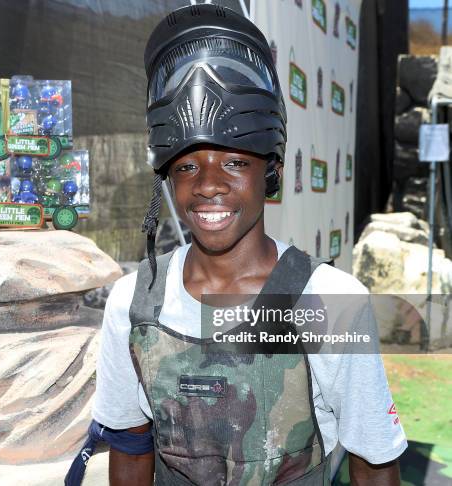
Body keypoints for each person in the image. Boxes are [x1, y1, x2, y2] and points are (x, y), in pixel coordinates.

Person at [68, 5, 407, 485]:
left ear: (270, 174)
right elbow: (129, 442)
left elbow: (373, 463)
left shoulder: (329, 301)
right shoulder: (135, 301)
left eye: (233, 163)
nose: (207, 184)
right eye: (187, 166)